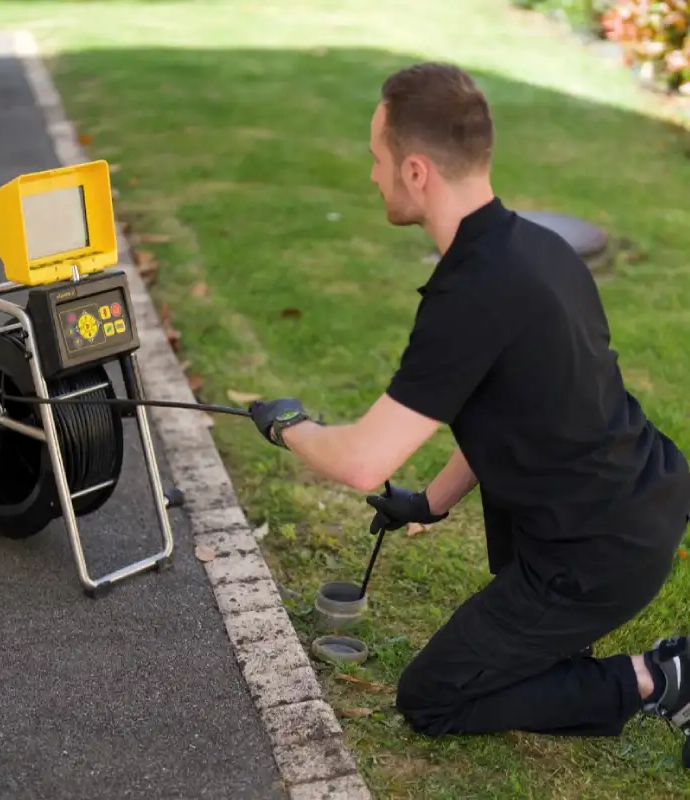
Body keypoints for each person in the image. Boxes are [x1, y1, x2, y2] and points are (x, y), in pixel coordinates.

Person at [248, 61, 690, 758]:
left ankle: (660, 678)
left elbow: (364, 459)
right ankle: (576, 644)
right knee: (503, 629)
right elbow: (517, 408)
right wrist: (430, 502)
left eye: (377, 159)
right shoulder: (539, 248)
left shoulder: (471, 295)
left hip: (596, 552)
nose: (372, 176)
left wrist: (288, 426)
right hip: (638, 500)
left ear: (417, 171)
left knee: (434, 697)